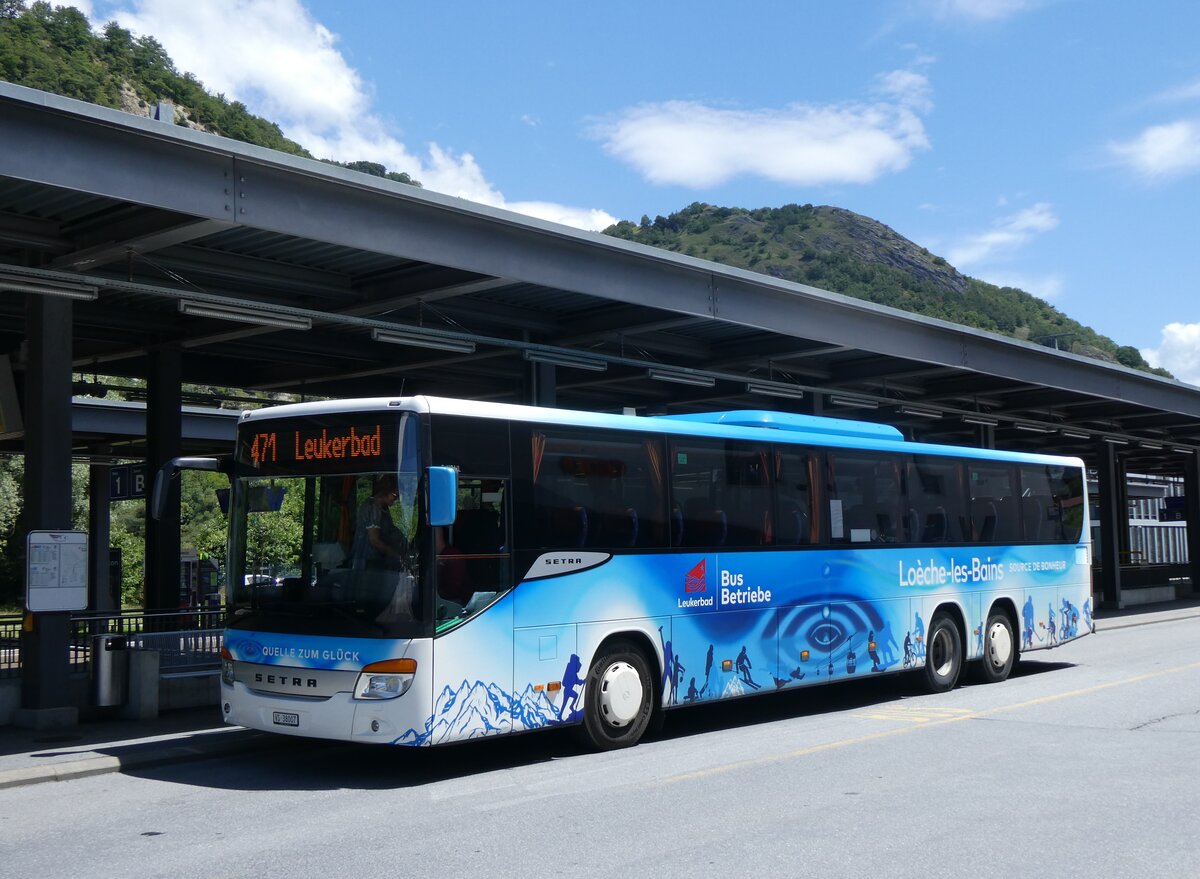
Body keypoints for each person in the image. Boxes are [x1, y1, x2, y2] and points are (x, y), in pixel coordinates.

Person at [350, 475, 408, 570]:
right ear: (385, 491)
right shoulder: (373, 507)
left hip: (376, 561)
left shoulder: (383, 508)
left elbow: (389, 530)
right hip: (368, 563)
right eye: (395, 495)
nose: (396, 499)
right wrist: (393, 553)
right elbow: (374, 540)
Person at [436, 526, 472, 605]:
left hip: (456, 602)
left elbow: (453, 590)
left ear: (436, 535)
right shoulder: (430, 556)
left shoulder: (453, 556)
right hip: (439, 598)